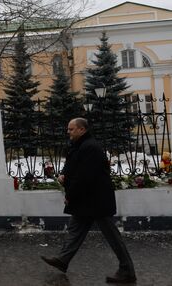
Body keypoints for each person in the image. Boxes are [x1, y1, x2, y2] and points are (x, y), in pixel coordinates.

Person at [41, 118, 136, 284]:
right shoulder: (81, 145)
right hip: (87, 200)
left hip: (96, 200)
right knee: (75, 230)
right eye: (68, 129)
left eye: (71, 129)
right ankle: (63, 260)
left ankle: (127, 270)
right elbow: (73, 166)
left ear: (82, 129)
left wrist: (70, 194)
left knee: (112, 236)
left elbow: (85, 177)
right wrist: (65, 175)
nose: (68, 132)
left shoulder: (90, 147)